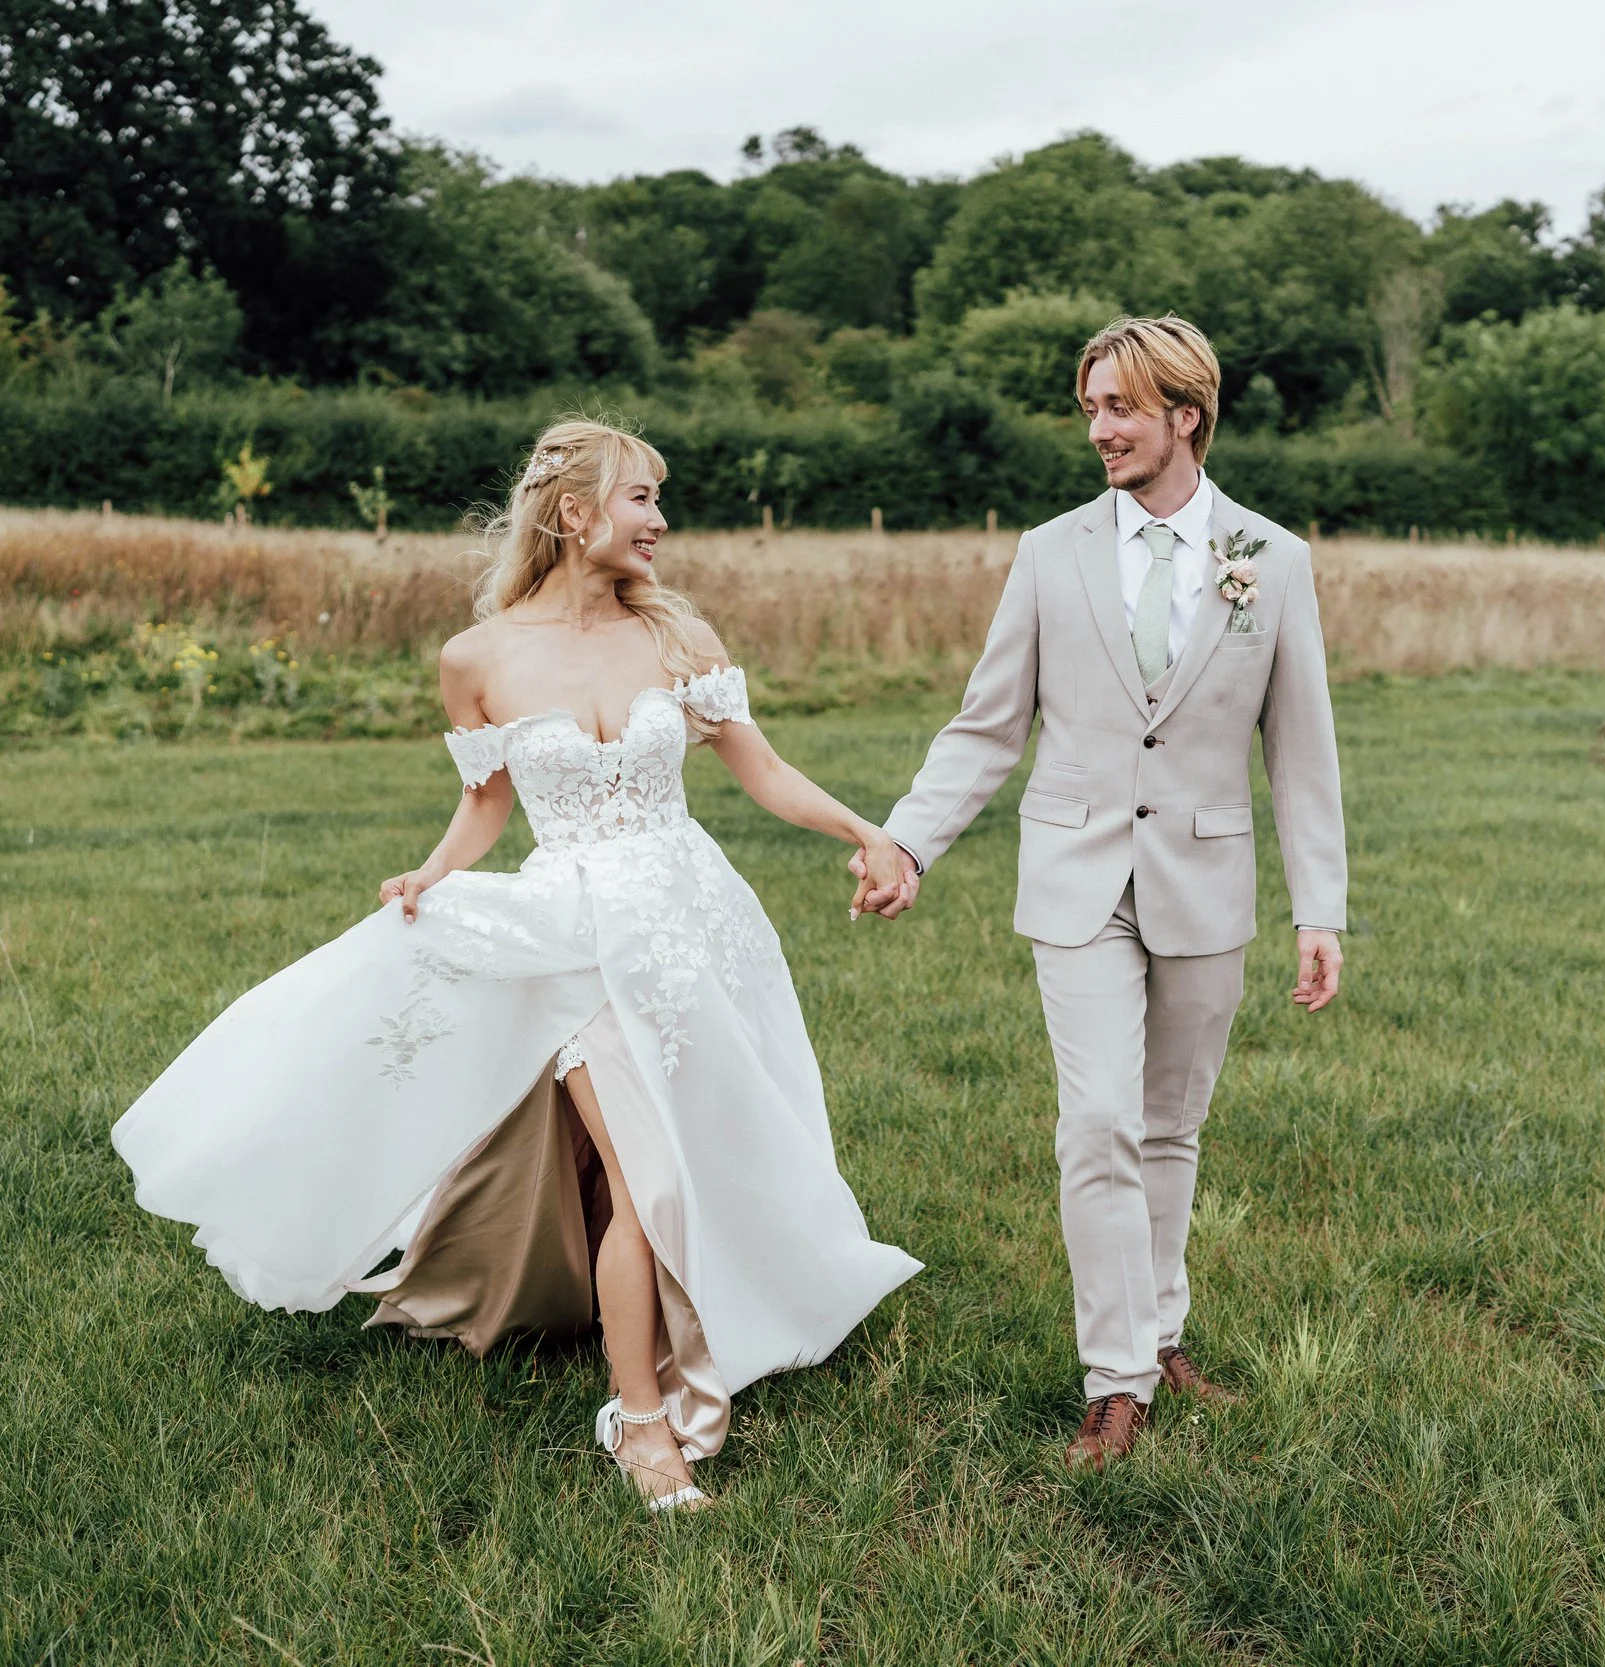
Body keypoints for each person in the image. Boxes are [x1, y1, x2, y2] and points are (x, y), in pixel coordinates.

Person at [112, 418, 921, 1513]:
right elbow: (485, 805)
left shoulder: (677, 636)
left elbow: (763, 771)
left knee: (715, 1146)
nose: (662, 520)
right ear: (576, 512)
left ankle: (742, 1296)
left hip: (690, 924)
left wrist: (868, 833)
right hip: (571, 940)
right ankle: (641, 1422)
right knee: (652, 1180)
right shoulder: (476, 658)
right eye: (643, 498)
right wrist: (431, 872)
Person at [858, 315, 1347, 1469]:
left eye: (1119, 408)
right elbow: (987, 726)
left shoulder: (1272, 559)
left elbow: (1302, 747)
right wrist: (910, 841)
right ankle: (1116, 1379)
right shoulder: (1049, 551)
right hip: (1076, 876)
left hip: (1207, 874)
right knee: (1098, 1121)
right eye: (1089, 408)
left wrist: (1316, 905)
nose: (1098, 430)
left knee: (1170, 1126)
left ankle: (1163, 1334)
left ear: (1185, 414)